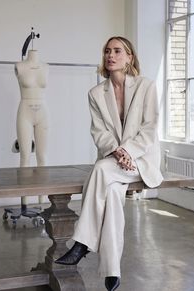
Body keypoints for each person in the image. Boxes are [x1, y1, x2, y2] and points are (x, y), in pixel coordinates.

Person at [55, 36, 163, 291]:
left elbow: (149, 129)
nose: (110, 55)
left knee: (101, 169)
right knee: (112, 194)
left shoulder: (146, 86)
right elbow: (99, 132)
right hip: (115, 160)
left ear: (129, 57)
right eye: (106, 51)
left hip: (141, 159)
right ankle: (112, 272)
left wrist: (128, 151)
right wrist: (116, 151)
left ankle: (82, 243)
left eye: (117, 51)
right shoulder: (95, 93)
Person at [15, 49, 49, 204]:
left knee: (42, 157)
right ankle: (25, 202)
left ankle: (42, 201)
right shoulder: (19, 66)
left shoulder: (46, 66)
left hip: (43, 113)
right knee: (25, 157)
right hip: (25, 112)